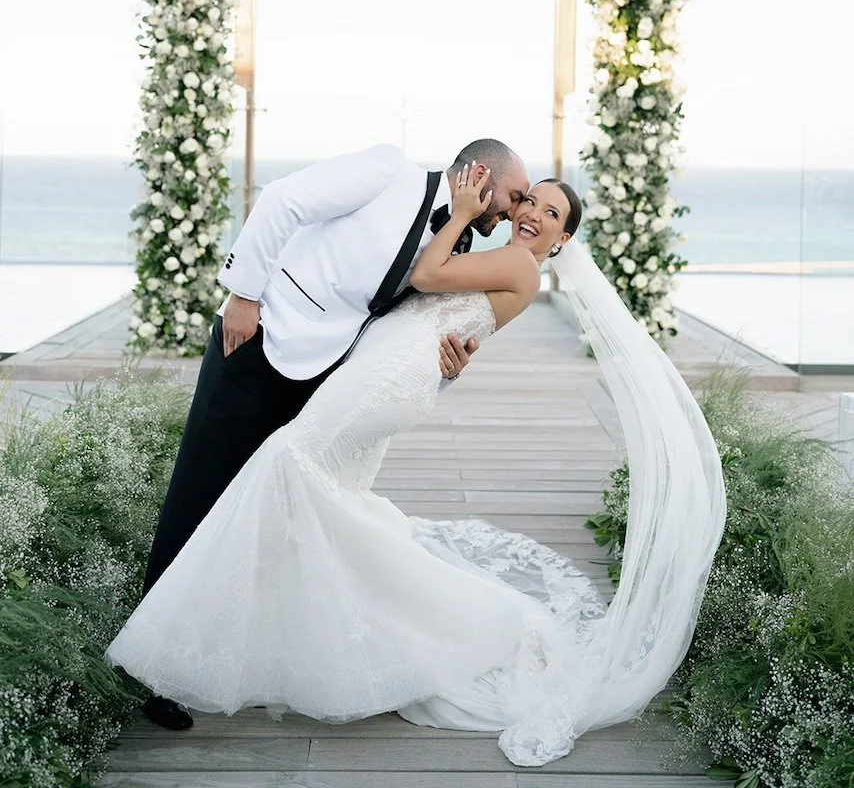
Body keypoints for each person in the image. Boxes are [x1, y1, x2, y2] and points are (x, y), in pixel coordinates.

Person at [109, 165, 726, 767]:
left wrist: (459, 215)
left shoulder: (517, 265)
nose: (529, 213)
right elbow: (423, 304)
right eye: (529, 201)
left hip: (386, 382)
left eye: (548, 212)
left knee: (287, 466)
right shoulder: (459, 226)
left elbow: (428, 274)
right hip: (380, 368)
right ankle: (294, 631)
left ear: (563, 240)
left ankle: (196, 643)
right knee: (324, 496)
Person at [137, 138, 530, 729]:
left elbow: (404, 338)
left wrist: (445, 367)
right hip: (258, 343)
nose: (514, 211)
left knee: (271, 515)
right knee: (200, 495)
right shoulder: (387, 171)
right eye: (515, 195)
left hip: (324, 386)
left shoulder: (460, 246)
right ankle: (146, 669)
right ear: (478, 172)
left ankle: (232, 652)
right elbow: (282, 201)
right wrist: (242, 297)